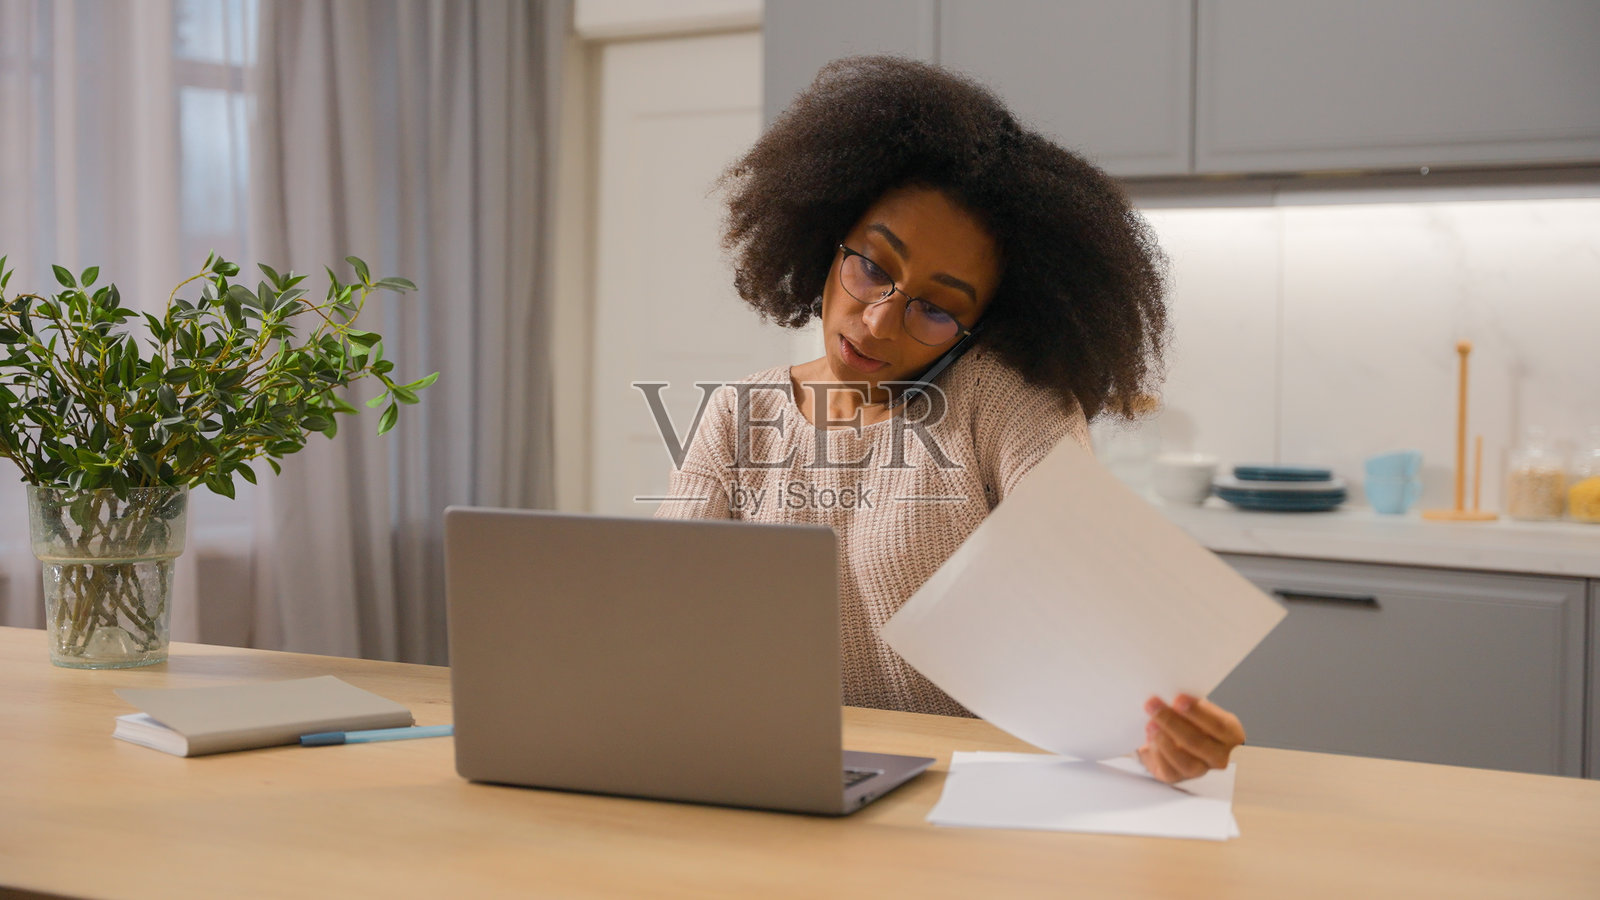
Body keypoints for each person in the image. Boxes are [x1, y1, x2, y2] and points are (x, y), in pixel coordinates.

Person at [656, 56, 1242, 784]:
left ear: (979, 325)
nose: (876, 322)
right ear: (826, 235)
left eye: (934, 308)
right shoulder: (740, 415)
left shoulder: (1005, 402)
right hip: (785, 773)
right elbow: (665, 622)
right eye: (871, 267)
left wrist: (1161, 725)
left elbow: (1097, 607)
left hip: (973, 793)